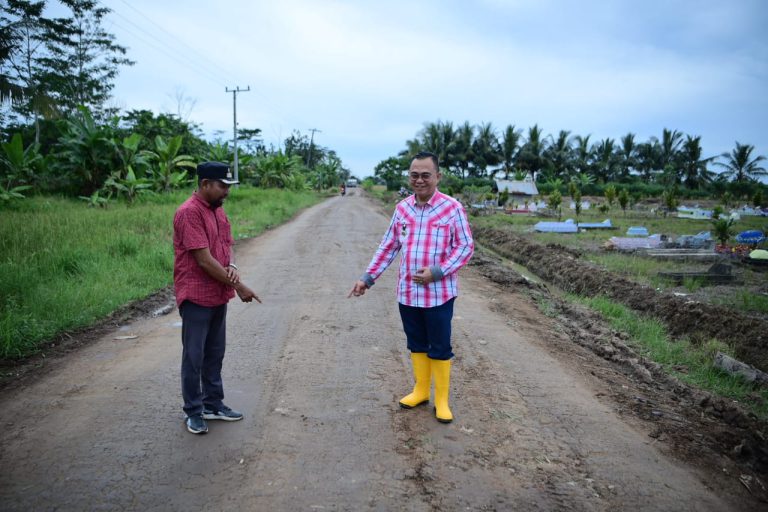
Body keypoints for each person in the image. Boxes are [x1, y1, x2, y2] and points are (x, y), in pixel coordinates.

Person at [349, 151, 474, 423]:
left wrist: (437, 272)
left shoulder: (452, 208)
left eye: (425, 175)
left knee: (440, 346)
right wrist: (367, 278)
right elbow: (388, 246)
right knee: (416, 343)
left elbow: (465, 247)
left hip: (439, 294)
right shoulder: (403, 208)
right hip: (408, 293)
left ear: (437, 177)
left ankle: (441, 399)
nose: (419, 180)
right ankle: (420, 390)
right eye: (414, 175)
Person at [173, 162, 261, 435]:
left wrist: (233, 269)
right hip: (196, 295)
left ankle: (213, 403)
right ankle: (194, 411)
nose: (226, 192)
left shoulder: (218, 212)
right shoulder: (189, 213)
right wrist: (240, 286)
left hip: (217, 295)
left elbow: (227, 247)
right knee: (194, 356)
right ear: (204, 184)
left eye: (228, 187)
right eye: (222, 186)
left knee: (214, 353)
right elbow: (204, 260)